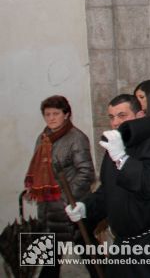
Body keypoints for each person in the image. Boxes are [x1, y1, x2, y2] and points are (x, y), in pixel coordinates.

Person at [65, 94, 150, 277]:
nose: (115, 123)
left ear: (139, 116)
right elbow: (108, 192)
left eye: (122, 116)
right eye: (112, 117)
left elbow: (148, 184)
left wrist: (122, 158)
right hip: (125, 247)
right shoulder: (114, 150)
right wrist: (86, 207)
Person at [25, 95, 96, 278]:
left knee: (88, 251)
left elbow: (86, 173)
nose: (51, 118)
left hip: (71, 207)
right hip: (48, 207)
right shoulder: (44, 139)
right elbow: (38, 167)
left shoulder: (77, 138)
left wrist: (66, 198)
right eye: (47, 114)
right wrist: (33, 186)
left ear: (66, 114)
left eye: (56, 113)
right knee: (52, 258)